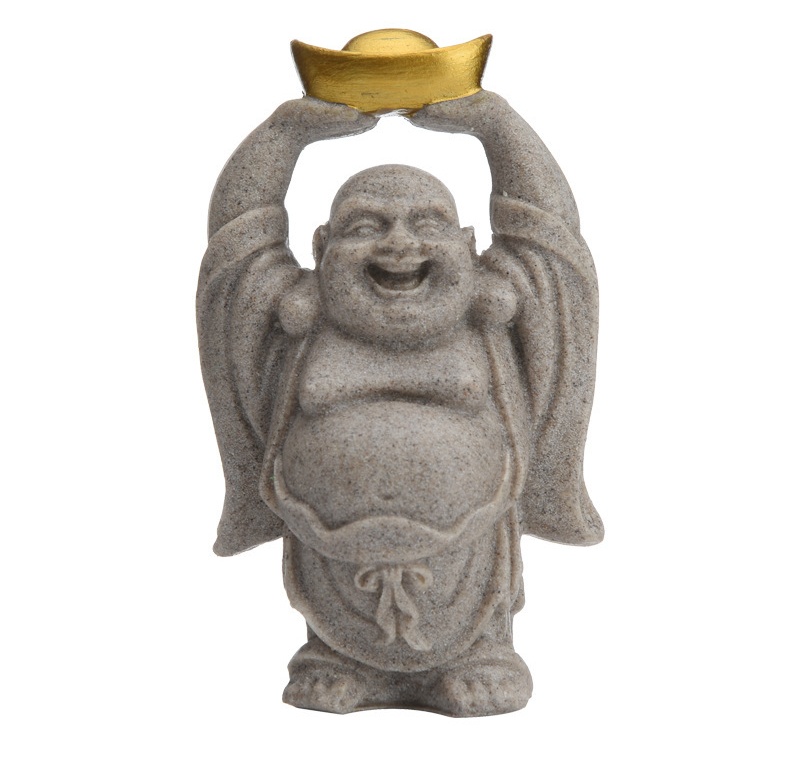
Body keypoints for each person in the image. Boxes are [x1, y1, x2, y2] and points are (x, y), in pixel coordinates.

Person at [198, 93, 602, 715]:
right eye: (365, 227)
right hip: (325, 547)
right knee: (333, 624)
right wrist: (284, 134)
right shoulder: (299, 320)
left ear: (469, 245)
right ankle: (336, 655)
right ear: (321, 248)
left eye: (428, 224)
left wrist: (497, 124)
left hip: (473, 546)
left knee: (476, 617)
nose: (400, 244)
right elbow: (237, 248)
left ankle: (480, 652)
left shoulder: (490, 316)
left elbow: (550, 241)